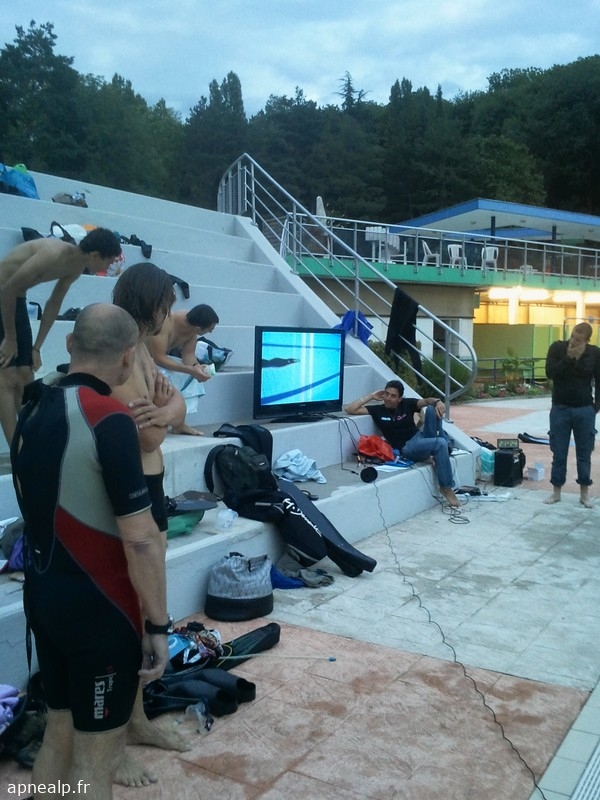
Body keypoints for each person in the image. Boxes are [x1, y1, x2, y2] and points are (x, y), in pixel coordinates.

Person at [10, 303, 169, 800]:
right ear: (128, 357)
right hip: (100, 613)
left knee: (59, 732)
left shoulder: (31, 407)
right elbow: (141, 538)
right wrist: (158, 625)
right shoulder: (109, 418)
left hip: (44, 601)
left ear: (69, 345)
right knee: (95, 761)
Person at [112, 263, 191, 786]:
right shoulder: (121, 353)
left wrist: (165, 411)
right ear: (152, 303)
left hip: (154, 485)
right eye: (167, 302)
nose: (170, 312)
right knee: (130, 609)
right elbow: (147, 436)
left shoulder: (144, 347)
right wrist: (165, 416)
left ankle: (136, 719)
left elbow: (175, 406)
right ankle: (113, 740)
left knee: (146, 607)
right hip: (133, 488)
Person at [0, 229, 122, 447]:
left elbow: (54, 303)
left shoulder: (75, 268)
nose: (108, 267)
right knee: (6, 377)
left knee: (26, 374)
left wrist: (36, 348)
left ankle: (30, 443)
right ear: (96, 255)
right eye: (109, 261)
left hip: (15, 298)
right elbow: (8, 288)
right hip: (4, 293)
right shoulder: (52, 253)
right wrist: (10, 338)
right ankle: (17, 452)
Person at [345, 379, 460, 507]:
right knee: (441, 443)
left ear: (400, 398)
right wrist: (371, 396)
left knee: (431, 409)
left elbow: (427, 401)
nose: (388, 398)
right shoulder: (378, 410)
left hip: (420, 437)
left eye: (393, 396)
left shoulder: (407, 404)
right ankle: (446, 487)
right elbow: (350, 409)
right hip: (408, 447)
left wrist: (437, 401)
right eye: (386, 394)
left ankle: (435, 454)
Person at [544, 321, 600, 508]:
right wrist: (568, 357)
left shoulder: (594, 353)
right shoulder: (557, 348)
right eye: (573, 337)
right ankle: (556, 492)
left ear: (587, 340)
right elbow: (550, 372)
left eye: (578, 340)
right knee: (559, 452)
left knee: (584, 453)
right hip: (560, 408)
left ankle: (584, 494)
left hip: (584, 409)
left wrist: (595, 407)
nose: (573, 341)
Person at [148, 304, 218, 434]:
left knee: (191, 378)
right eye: (209, 330)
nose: (211, 333)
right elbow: (158, 357)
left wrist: (197, 368)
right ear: (198, 328)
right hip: (147, 359)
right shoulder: (167, 323)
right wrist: (190, 370)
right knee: (167, 376)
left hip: (161, 360)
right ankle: (161, 419)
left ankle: (179, 424)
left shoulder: (192, 330)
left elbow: (189, 355)